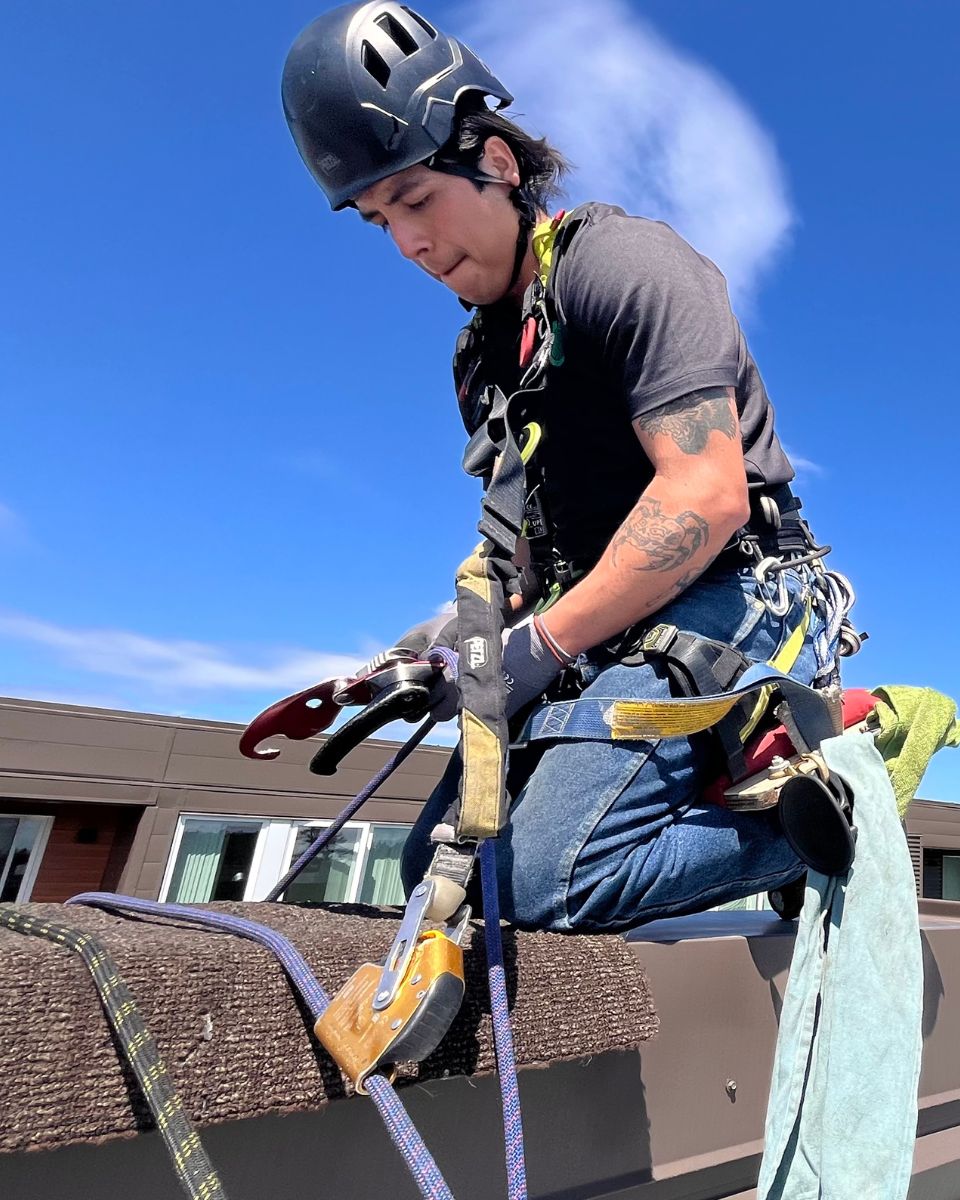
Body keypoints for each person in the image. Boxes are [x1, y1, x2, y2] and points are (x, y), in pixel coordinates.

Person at [280, 2, 858, 932]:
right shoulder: (482, 362)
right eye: (380, 220)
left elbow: (703, 497)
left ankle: (835, 799)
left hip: (738, 588)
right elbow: (514, 568)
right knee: (434, 869)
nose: (412, 246)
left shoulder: (625, 265)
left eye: (419, 200)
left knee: (538, 879)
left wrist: (541, 650)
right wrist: (424, 655)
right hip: (601, 613)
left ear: (496, 162)